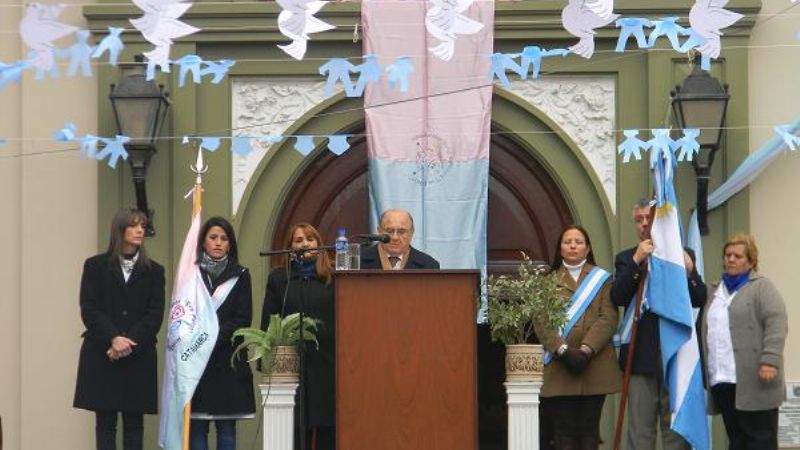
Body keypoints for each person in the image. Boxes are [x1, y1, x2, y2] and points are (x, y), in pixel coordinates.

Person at [611, 199, 706, 450]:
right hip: (641, 356)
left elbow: (699, 298)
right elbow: (618, 296)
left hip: (676, 354)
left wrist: (690, 271)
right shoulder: (626, 258)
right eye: (639, 219)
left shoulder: (682, 256)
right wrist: (636, 260)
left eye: (648, 218)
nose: (644, 224)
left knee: (675, 432)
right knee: (640, 433)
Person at [73, 209, 165, 450]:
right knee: (105, 423)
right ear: (120, 230)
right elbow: (89, 308)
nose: (140, 230)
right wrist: (113, 338)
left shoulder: (155, 271)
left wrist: (128, 342)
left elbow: (154, 314)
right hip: (103, 355)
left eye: (143, 226)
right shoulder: (95, 266)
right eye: (134, 226)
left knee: (134, 425)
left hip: (138, 357)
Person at [536, 225, 621, 450]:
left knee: (589, 429)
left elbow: (608, 317)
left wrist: (586, 349)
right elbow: (541, 321)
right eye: (567, 241)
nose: (573, 246)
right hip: (560, 365)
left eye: (578, 241)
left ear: (588, 248)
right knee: (563, 430)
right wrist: (563, 350)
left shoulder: (603, 280)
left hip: (595, 363)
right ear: (560, 248)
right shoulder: (546, 281)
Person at [701, 233, 787, 450]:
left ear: (750, 261)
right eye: (727, 255)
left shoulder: (761, 287)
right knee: (737, 440)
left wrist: (770, 360)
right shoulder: (714, 291)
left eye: (738, 256)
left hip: (756, 379)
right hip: (723, 379)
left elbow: (777, 322)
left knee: (760, 440)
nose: (731, 259)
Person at [261, 223, 335, 450]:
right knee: (293, 428)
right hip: (291, 364)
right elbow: (269, 322)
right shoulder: (279, 279)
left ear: (319, 244)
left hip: (326, 362)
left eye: (310, 239)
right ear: (290, 248)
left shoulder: (333, 276)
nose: (305, 244)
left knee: (327, 428)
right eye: (299, 240)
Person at [189, 217, 255, 450]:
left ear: (230, 245)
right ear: (203, 242)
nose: (218, 243)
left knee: (226, 430)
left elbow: (242, 319)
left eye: (224, 239)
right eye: (213, 237)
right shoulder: (190, 276)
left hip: (228, 360)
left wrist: (212, 336)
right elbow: (184, 315)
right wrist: (199, 340)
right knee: (197, 427)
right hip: (197, 361)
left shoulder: (241, 275)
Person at [360, 208, 439, 269]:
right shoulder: (359, 262)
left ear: (411, 233)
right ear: (379, 231)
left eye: (401, 232)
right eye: (389, 231)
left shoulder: (429, 265)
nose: (395, 237)